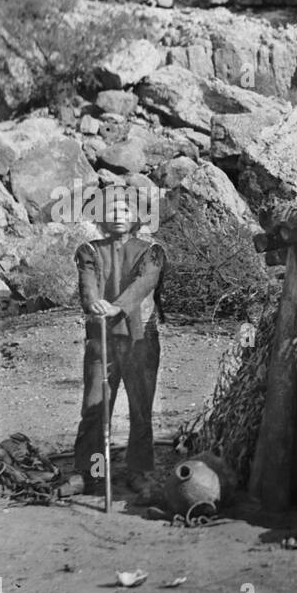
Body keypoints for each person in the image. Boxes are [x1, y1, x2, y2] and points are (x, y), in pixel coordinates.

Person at [73, 191, 166, 498]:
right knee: (95, 408)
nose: (117, 214)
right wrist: (94, 303)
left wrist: (118, 306)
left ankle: (139, 471)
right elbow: (88, 283)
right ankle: (94, 472)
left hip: (140, 338)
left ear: (135, 215)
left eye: (124, 209)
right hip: (102, 339)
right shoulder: (89, 250)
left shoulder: (151, 250)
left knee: (141, 408)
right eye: (110, 209)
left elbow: (145, 282)